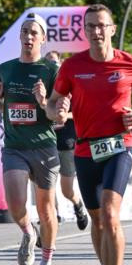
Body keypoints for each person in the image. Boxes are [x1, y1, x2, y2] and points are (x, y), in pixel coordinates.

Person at [46, 4, 132, 265]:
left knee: (110, 214)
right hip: (85, 149)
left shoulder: (130, 63)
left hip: (121, 145)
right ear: (85, 30)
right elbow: (52, 105)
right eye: (90, 26)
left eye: (101, 25)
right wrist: (58, 113)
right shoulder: (71, 67)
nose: (96, 31)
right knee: (97, 220)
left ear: (111, 28)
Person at [0, 11, 60, 265]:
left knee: (46, 209)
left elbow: (58, 116)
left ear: (43, 38)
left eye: (34, 33)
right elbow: (3, 109)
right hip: (15, 146)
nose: (29, 37)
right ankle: (29, 233)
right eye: (25, 32)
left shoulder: (51, 71)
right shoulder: (6, 68)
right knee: (16, 204)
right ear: (20, 36)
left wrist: (43, 102)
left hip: (43, 145)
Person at [44, 50, 89, 232]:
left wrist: (63, 115)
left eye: (54, 62)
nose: (51, 66)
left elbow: (81, 111)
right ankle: (52, 218)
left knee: (66, 190)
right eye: (47, 63)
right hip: (47, 142)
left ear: (61, 63)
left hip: (67, 142)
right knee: (46, 185)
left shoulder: (70, 85)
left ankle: (78, 205)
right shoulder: (42, 87)